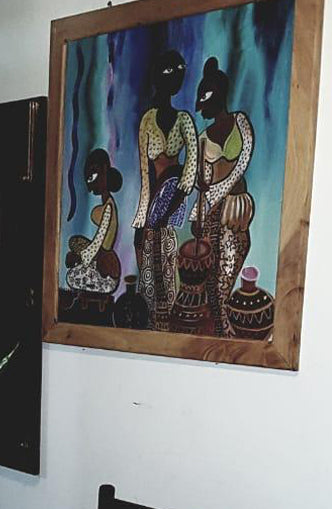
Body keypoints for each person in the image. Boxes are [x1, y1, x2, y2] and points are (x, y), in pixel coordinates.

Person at [131, 49, 198, 330]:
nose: (173, 78)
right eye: (168, 72)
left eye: (177, 72)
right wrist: (143, 216)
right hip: (153, 199)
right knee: (148, 254)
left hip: (175, 196)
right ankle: (151, 319)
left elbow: (191, 167)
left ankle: (168, 318)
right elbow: (145, 171)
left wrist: (172, 204)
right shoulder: (147, 120)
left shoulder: (184, 120)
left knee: (169, 257)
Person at [192, 56, 255, 336]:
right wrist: (199, 213)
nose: (201, 107)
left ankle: (223, 325)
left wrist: (220, 190)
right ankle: (220, 328)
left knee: (231, 264)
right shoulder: (203, 137)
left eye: (204, 99)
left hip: (236, 208)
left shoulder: (241, 122)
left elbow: (242, 162)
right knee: (215, 275)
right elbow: (203, 183)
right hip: (214, 213)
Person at [66, 148, 122, 295]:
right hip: (100, 261)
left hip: (107, 277)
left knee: (71, 277)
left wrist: (79, 258)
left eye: (92, 177)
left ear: (104, 170)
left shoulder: (108, 208)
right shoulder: (107, 204)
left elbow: (97, 242)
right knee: (74, 242)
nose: (90, 187)